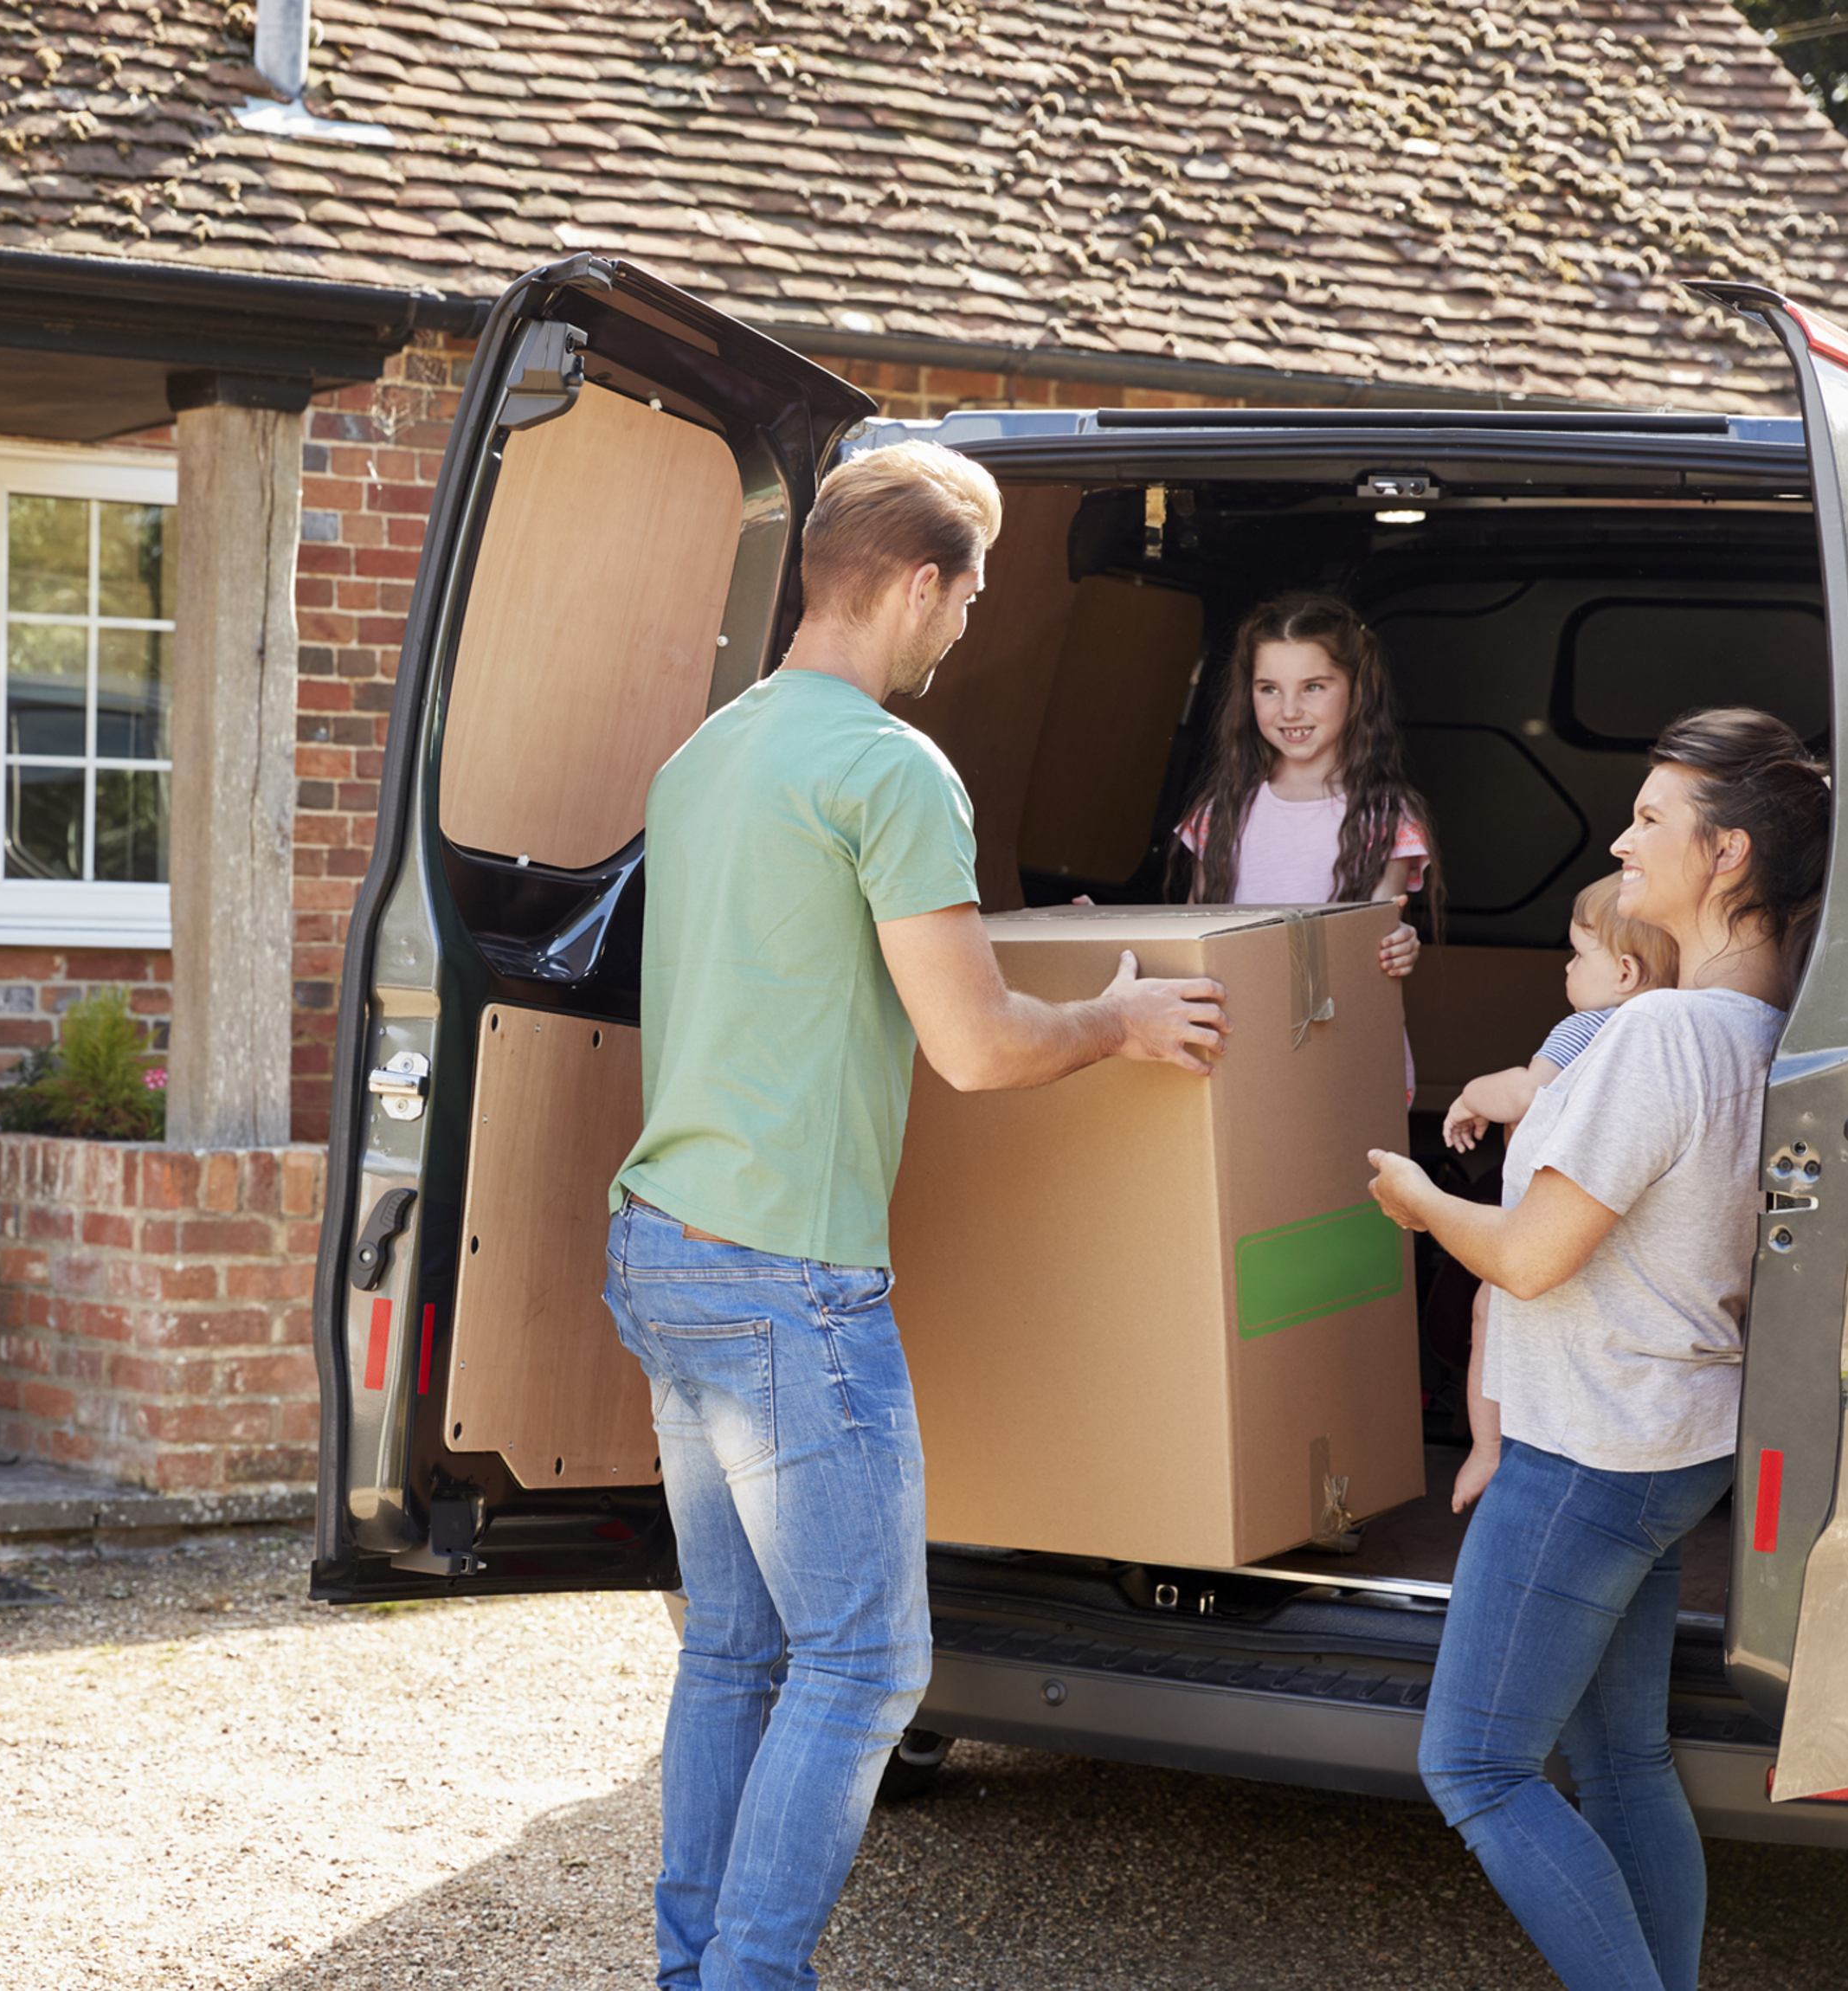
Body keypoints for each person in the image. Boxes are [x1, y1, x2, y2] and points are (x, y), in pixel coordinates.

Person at [603, 440, 1232, 1991]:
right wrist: (1120, 1015)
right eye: (972, 591)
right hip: (784, 1283)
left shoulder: (709, 756)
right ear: (915, 584)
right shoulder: (890, 769)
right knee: (869, 1663)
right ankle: (745, 1979)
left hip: (665, 1246)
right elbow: (977, 1044)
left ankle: (697, 1971)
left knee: (740, 1651)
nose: (971, 623)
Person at [1367, 707, 1827, 1991]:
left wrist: (1419, 1198)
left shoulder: (1661, 1035)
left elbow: (1526, 1257)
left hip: (1586, 1450)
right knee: (1619, 1757)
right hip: (1676, 1445)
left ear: (1726, 857)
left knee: (1474, 1764)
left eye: (1650, 820)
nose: (1621, 839)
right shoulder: (1764, 1031)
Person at [1440, 872, 1680, 1514]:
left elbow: (1526, 1091)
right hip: (1617, 1242)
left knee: (1489, 1313)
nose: (1568, 969)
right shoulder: (1679, 1030)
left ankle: (1487, 1450)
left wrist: (1469, 1097)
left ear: (1625, 973)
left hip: (1545, 1220)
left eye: (1578, 955)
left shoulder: (1588, 1029)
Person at [1169, 590, 1433, 983]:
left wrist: (1400, 944)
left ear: (1358, 690)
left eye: (1313, 687)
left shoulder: (1386, 816)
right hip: (1243, 1029)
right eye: (1269, 689)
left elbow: (1376, 939)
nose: (1289, 710)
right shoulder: (1220, 810)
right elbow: (1193, 941)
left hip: (1341, 1033)